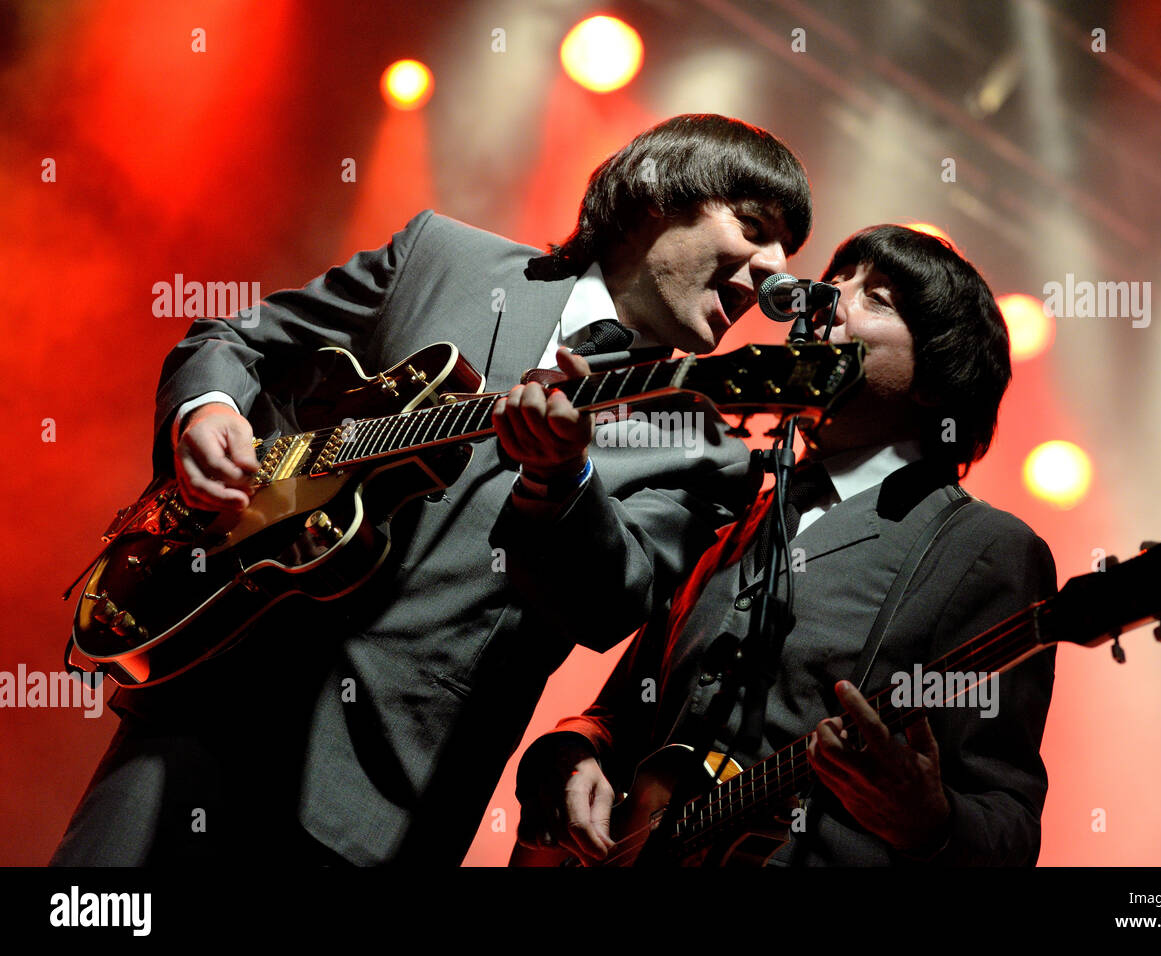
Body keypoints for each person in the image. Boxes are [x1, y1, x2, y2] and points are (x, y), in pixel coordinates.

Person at [51, 114, 811, 865]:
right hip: (200, 718)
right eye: (753, 227)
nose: (775, 267)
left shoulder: (704, 450)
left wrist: (561, 479)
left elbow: (608, 603)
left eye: (787, 251)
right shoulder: (441, 256)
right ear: (654, 194)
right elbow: (234, 340)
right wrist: (206, 411)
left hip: (381, 812)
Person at [513, 225, 1057, 866]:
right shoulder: (743, 507)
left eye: (877, 298)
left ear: (937, 381)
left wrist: (930, 821)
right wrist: (571, 750)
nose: (825, 298)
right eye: (836, 280)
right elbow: (622, 710)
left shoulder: (985, 550)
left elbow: (1009, 826)